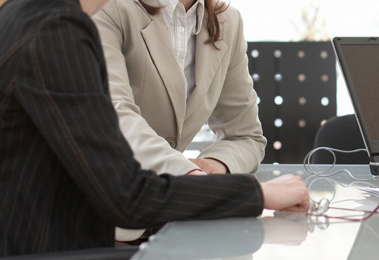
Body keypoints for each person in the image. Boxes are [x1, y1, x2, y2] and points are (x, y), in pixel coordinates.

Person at [0, 0, 308, 259]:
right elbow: (128, 196)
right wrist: (255, 194)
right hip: (27, 249)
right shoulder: (54, 29)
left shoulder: (26, 16)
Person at [93, 0, 264, 177]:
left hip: (167, 194)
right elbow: (112, 114)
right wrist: (186, 171)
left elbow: (245, 137)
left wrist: (216, 163)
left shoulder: (228, 20)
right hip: (98, 184)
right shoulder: (107, 7)